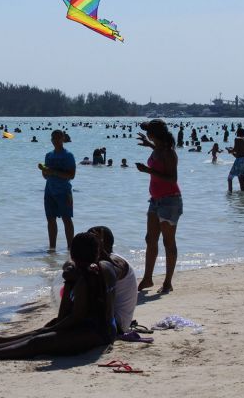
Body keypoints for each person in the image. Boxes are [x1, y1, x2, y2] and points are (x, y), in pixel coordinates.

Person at [0, 232, 116, 362]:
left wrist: (68, 283)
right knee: (47, 328)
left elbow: (68, 317)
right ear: (97, 253)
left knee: (40, 340)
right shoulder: (107, 266)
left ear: (73, 256)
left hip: (97, 333)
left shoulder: (83, 281)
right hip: (104, 327)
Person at [135, 119, 182, 294]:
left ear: (155, 134)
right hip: (155, 200)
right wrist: (149, 145)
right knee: (150, 239)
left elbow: (172, 179)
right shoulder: (159, 150)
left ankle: (168, 281)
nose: (147, 134)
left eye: (149, 132)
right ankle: (148, 278)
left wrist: (148, 171)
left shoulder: (169, 153)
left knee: (168, 242)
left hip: (170, 200)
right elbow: (159, 155)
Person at [87, 226, 137, 333]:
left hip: (117, 323)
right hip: (108, 317)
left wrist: (101, 250)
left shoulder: (116, 261)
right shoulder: (100, 261)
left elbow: (114, 272)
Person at [39, 130, 76, 251]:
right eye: (53, 138)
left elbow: (71, 175)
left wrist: (54, 172)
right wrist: (44, 171)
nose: (55, 140)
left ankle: (71, 248)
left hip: (64, 191)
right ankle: (52, 248)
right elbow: (46, 176)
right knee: (50, 219)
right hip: (49, 190)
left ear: (63, 139)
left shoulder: (68, 155)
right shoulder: (48, 155)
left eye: (57, 138)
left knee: (66, 219)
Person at [226, 127, 244, 193]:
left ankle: (230, 193)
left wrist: (230, 150)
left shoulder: (237, 139)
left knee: (230, 178)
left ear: (238, 133)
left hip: (240, 160)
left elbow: (235, 149)